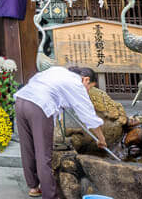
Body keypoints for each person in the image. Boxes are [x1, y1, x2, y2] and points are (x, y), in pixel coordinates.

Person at [14, 66, 106, 199]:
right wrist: (101, 138)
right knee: (43, 153)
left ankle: (33, 187)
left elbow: (38, 83)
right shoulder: (76, 84)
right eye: (90, 87)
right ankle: (50, 195)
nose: (88, 90)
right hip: (38, 106)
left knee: (27, 147)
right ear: (86, 79)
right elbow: (88, 115)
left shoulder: (57, 71)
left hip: (21, 101)